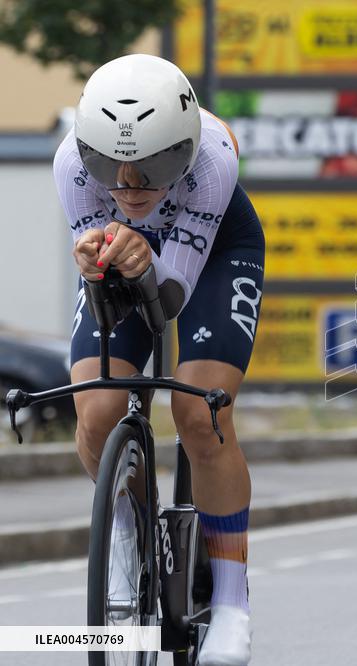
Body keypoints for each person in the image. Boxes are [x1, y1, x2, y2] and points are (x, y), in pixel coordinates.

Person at [53, 53, 264, 665]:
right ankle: (124, 539)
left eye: (150, 170)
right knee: (95, 410)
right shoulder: (71, 163)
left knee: (201, 414)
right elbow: (101, 267)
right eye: (112, 173)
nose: (128, 187)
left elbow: (171, 297)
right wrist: (92, 257)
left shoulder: (213, 159)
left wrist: (151, 259)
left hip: (215, 252)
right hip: (127, 252)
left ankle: (231, 601)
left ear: (181, 149)